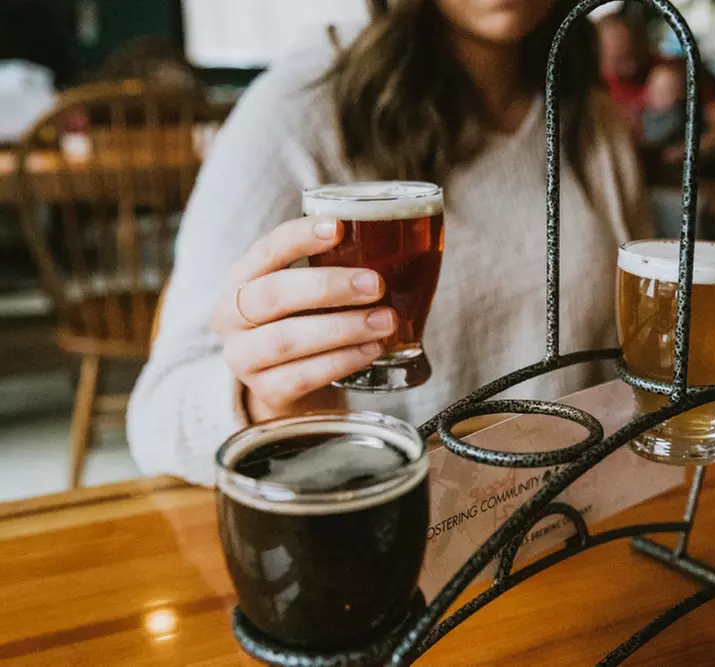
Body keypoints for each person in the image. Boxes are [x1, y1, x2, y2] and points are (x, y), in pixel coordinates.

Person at [126, 0, 652, 485]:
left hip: (581, 518)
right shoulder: (299, 110)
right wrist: (265, 407)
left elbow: (638, 355)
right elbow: (157, 417)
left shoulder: (591, 117)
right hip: (387, 530)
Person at [595, 11, 715, 170]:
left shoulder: (681, 72)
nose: (631, 67)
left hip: (693, 173)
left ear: (644, 42)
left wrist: (673, 156)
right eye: (618, 60)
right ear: (597, 57)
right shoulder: (594, 87)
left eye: (634, 53)